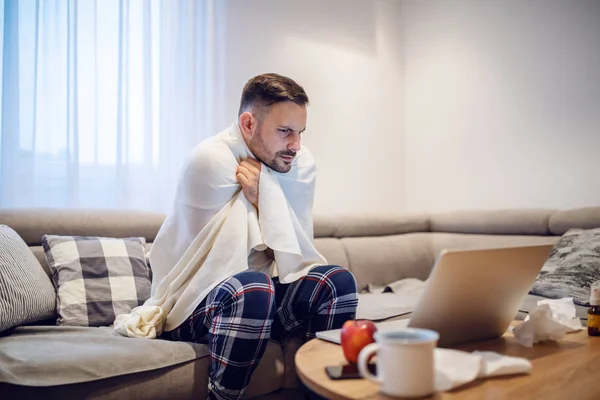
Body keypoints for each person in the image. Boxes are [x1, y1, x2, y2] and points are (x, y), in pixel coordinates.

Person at [149, 73, 359, 400]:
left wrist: (264, 195)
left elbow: (292, 256)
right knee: (252, 287)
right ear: (248, 124)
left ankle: (321, 394)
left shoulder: (296, 163)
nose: (296, 146)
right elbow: (217, 269)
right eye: (285, 131)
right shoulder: (211, 159)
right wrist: (273, 200)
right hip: (193, 302)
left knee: (337, 281)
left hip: (261, 300)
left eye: (300, 132)